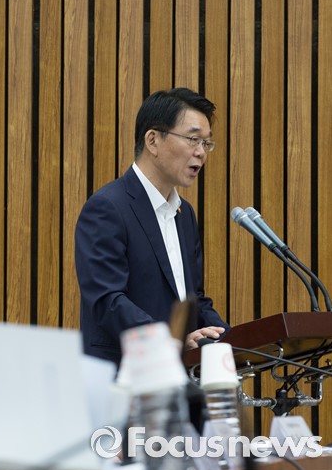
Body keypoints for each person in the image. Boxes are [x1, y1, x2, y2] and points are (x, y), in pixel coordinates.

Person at [75, 87, 229, 366]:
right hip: (124, 374)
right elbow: (108, 301)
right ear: (153, 140)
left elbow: (193, 298)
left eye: (206, 143)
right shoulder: (107, 208)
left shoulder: (184, 214)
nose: (201, 152)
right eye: (193, 139)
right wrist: (172, 339)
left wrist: (232, 341)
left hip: (178, 375)